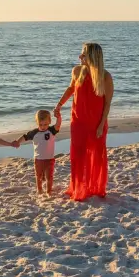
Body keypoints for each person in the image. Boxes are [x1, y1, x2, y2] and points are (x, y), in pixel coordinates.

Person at [54, 42, 114, 200]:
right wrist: (59, 105)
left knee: (96, 155)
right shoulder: (76, 71)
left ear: (93, 57)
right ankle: (79, 189)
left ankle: (95, 188)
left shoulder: (105, 77)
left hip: (96, 123)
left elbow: (107, 103)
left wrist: (101, 125)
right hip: (78, 121)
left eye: (84, 54)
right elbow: (70, 89)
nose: (80, 56)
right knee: (78, 155)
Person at [16, 109, 62, 196]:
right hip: (38, 159)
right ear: (37, 123)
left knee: (49, 177)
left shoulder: (51, 131)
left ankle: (48, 191)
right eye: (40, 124)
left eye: (45, 124)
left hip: (49, 159)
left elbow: (58, 124)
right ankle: (39, 189)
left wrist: (58, 116)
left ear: (49, 121)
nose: (43, 126)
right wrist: (17, 142)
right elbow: (25, 137)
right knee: (39, 176)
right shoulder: (34, 133)